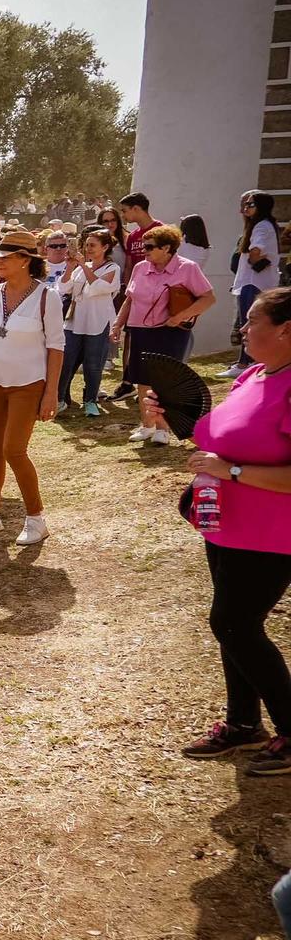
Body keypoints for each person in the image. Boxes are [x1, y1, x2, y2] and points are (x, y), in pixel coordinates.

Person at [161, 289, 291, 773]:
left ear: (286, 329)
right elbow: (213, 435)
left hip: (272, 532)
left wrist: (232, 471)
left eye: (253, 319)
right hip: (226, 524)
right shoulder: (256, 374)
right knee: (235, 627)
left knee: (234, 623)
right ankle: (243, 724)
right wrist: (170, 412)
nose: (242, 328)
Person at [0, 229, 66, 545]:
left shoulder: (47, 296)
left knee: (13, 450)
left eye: (4, 257)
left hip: (27, 384)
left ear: (24, 260)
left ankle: (36, 518)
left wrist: (51, 392)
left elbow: (57, 347)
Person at [60, 227, 122, 416]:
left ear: (105, 247)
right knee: (66, 360)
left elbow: (98, 287)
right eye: (86, 245)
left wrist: (83, 265)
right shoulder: (79, 268)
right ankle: (60, 399)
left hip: (98, 321)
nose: (88, 249)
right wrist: (71, 267)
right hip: (75, 321)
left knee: (93, 363)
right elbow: (63, 288)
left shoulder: (113, 268)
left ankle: (91, 401)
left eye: (93, 245)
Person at [230, 191, 281, 376]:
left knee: (248, 323)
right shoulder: (265, 225)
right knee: (251, 323)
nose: (245, 209)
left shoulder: (260, 226)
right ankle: (247, 361)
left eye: (250, 205)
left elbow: (256, 249)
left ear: (261, 207)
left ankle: (245, 363)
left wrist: (254, 261)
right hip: (257, 282)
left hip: (253, 282)